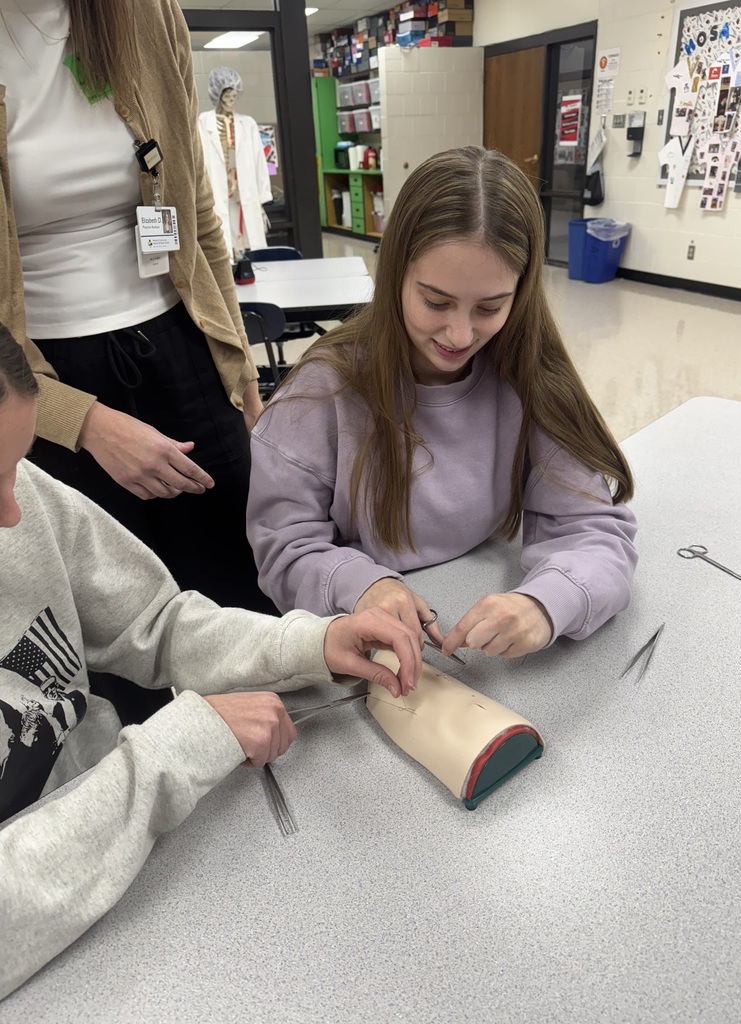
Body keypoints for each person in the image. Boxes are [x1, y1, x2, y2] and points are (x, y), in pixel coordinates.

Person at [0, 326, 420, 1000]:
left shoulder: (26, 497)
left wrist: (309, 643)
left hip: (129, 852)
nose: (13, 514)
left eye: (14, 467)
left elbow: (155, 623)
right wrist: (174, 749)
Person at [247, 146, 638, 662]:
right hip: (365, 645)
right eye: (435, 302)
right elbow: (285, 549)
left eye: (490, 307)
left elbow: (594, 528)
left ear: (520, 294)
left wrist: (547, 603)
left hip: (481, 628)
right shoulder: (320, 394)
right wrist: (360, 586)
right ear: (393, 273)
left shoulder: (529, 376)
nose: (459, 333)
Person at [1, 0, 274, 721]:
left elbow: (197, 207)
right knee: (119, 633)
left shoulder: (144, 13)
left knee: (237, 588)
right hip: (41, 376)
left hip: (179, 341)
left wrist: (238, 358)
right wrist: (86, 424)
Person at [198, 66, 273, 258]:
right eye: (227, 96)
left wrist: (263, 196)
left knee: (250, 243)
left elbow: (259, 162)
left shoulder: (247, 123)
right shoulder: (203, 122)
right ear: (217, 95)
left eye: (234, 95)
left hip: (244, 191)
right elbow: (199, 163)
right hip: (218, 191)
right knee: (223, 244)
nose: (232, 100)